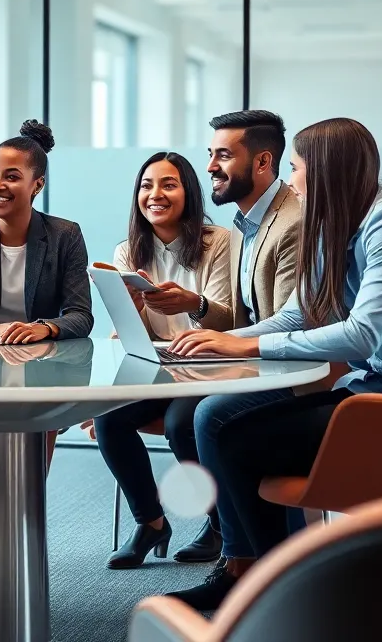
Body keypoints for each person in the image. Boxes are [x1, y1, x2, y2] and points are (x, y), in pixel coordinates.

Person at [163, 117, 382, 611]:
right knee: (213, 416)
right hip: (374, 390)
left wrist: (245, 348)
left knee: (228, 431)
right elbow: (301, 312)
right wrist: (218, 340)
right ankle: (253, 572)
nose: (291, 181)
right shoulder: (333, 219)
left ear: (325, 172)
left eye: (295, 168)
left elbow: (362, 333)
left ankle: (280, 590)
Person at [90, 151, 234, 569]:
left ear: (188, 192)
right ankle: (151, 522)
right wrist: (130, 315)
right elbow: (130, 335)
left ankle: (221, 522)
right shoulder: (127, 251)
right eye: (147, 185)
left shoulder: (218, 241)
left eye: (168, 185)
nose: (155, 194)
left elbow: (230, 318)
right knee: (109, 418)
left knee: (180, 424)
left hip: (209, 368)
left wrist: (195, 303)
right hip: (160, 369)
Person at [0, 120, 94, 344]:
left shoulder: (65, 235)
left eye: (12, 177)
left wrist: (44, 328)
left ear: (38, 185)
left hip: (42, 359)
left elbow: (81, 315)